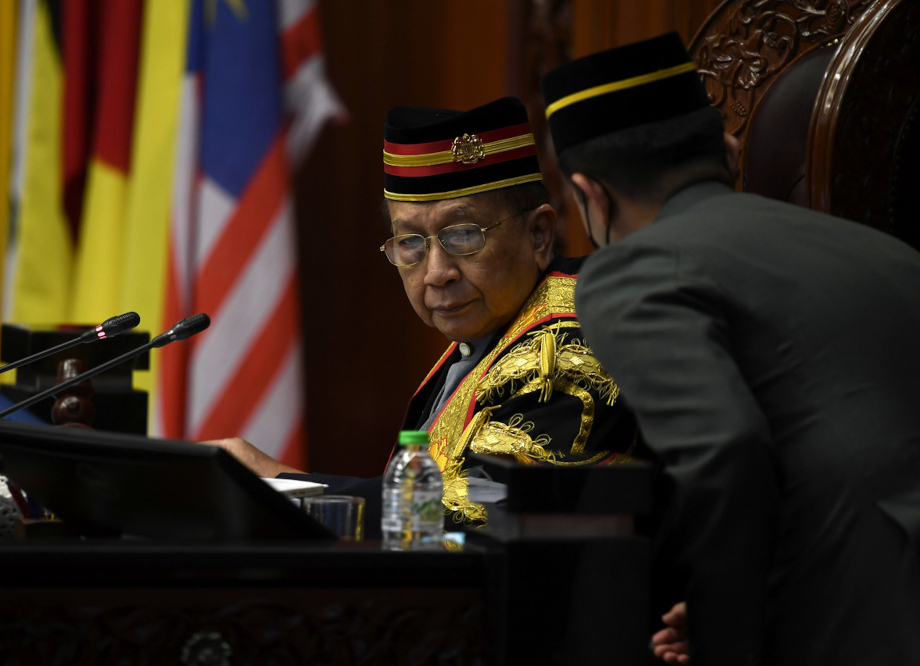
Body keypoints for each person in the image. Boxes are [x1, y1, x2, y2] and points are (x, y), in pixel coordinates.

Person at [540, 31, 920, 665]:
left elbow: (725, 454)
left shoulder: (633, 268)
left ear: (592, 195)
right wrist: (739, 601)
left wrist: (725, 636)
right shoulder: (889, 252)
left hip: (863, 614)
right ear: (730, 152)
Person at [208, 96, 639, 536]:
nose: (436, 273)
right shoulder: (488, 333)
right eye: (410, 242)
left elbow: (476, 512)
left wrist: (279, 486)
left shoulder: (567, 336)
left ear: (539, 234)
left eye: (464, 234)